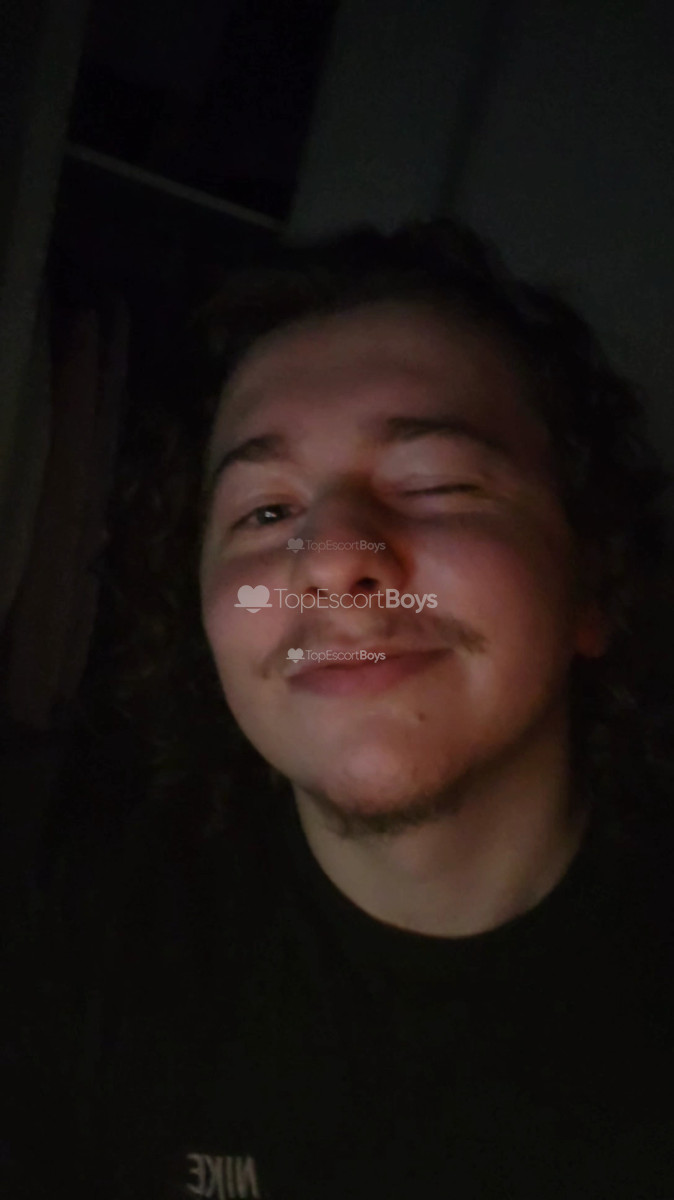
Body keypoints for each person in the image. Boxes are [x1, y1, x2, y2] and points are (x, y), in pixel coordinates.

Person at [6, 217, 674, 1199]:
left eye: (437, 482)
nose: (326, 558)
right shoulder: (81, 932)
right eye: (265, 512)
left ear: (591, 586)